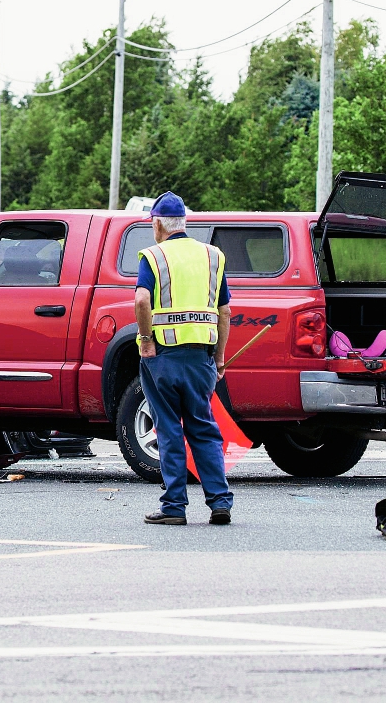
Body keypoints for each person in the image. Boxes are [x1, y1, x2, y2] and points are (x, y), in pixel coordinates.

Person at [134, 191, 234, 526]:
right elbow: (225, 311)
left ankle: (174, 506)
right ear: (184, 223)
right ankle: (220, 502)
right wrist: (219, 358)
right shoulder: (213, 256)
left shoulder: (154, 256)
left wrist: (147, 341)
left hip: (163, 357)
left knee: (169, 431)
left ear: (158, 223)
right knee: (203, 428)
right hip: (202, 359)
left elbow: (141, 301)